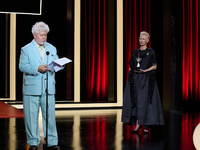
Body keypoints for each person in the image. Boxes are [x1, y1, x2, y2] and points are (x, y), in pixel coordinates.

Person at [19, 22, 60, 150]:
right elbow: (22, 66)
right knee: (31, 117)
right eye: (41, 35)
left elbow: (57, 63)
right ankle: (33, 143)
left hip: (48, 88)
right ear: (34, 35)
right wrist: (37, 68)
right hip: (32, 88)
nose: (44, 38)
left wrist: (59, 65)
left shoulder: (52, 48)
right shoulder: (26, 49)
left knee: (50, 117)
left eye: (45, 35)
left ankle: (52, 142)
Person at [121, 31, 164, 134]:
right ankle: (138, 124)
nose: (141, 40)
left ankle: (147, 125)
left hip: (147, 79)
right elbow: (132, 64)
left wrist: (145, 70)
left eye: (144, 39)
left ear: (148, 40)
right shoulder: (135, 52)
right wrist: (132, 72)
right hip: (136, 79)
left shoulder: (151, 51)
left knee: (146, 102)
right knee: (137, 101)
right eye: (140, 38)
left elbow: (155, 66)